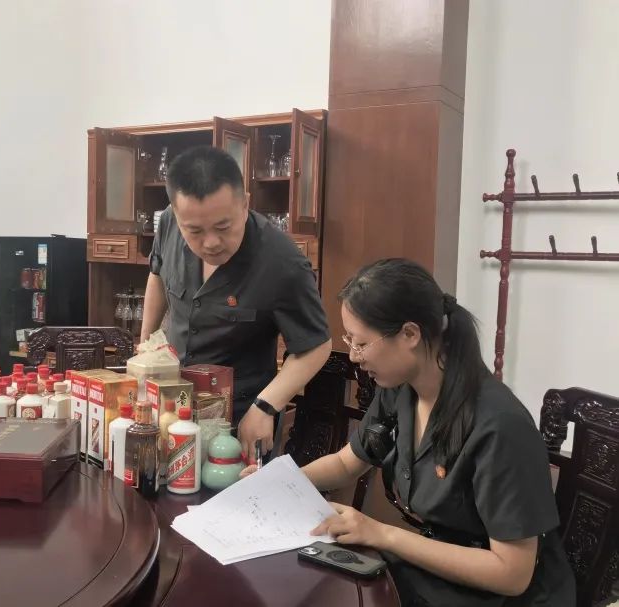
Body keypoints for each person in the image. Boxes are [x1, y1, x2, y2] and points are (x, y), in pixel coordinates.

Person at [242, 258, 575, 606]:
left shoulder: (500, 425)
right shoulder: (401, 389)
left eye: (361, 343)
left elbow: (511, 574)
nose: (354, 357)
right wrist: (280, 481)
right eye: (349, 340)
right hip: (439, 574)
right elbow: (346, 463)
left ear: (410, 334)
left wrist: (382, 534)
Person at [141, 145, 332, 458]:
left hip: (239, 420)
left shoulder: (282, 262)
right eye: (195, 231)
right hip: (170, 405)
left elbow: (316, 345)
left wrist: (266, 406)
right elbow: (157, 277)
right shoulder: (169, 224)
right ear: (176, 214)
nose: (211, 242)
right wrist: (146, 346)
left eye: (223, 227)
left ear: (245, 204)